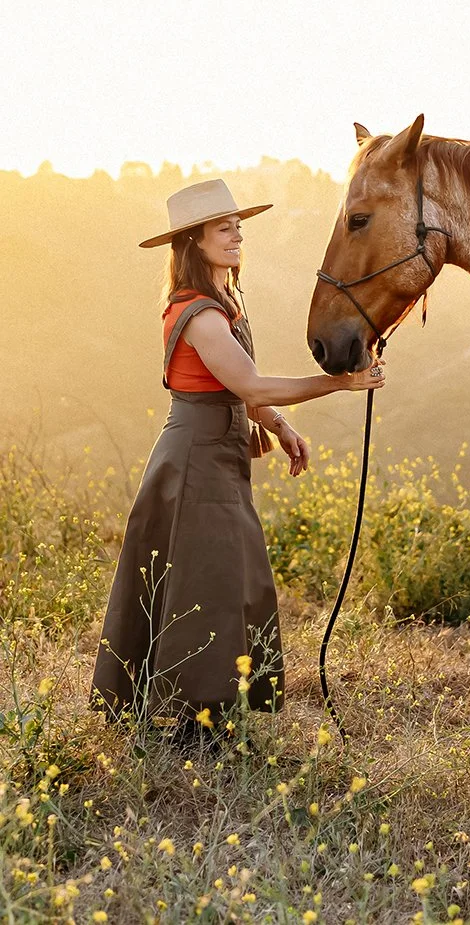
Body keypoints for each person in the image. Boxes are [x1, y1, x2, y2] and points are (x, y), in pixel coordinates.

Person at [91, 178, 384, 733]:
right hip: (196, 458)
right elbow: (250, 381)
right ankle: (193, 722)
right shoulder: (200, 314)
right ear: (195, 242)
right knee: (210, 583)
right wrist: (341, 383)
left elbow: (241, 391)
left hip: (215, 456)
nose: (236, 234)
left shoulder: (222, 304)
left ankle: (206, 714)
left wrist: (279, 425)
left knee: (224, 581)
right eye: (223, 228)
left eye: (237, 225)